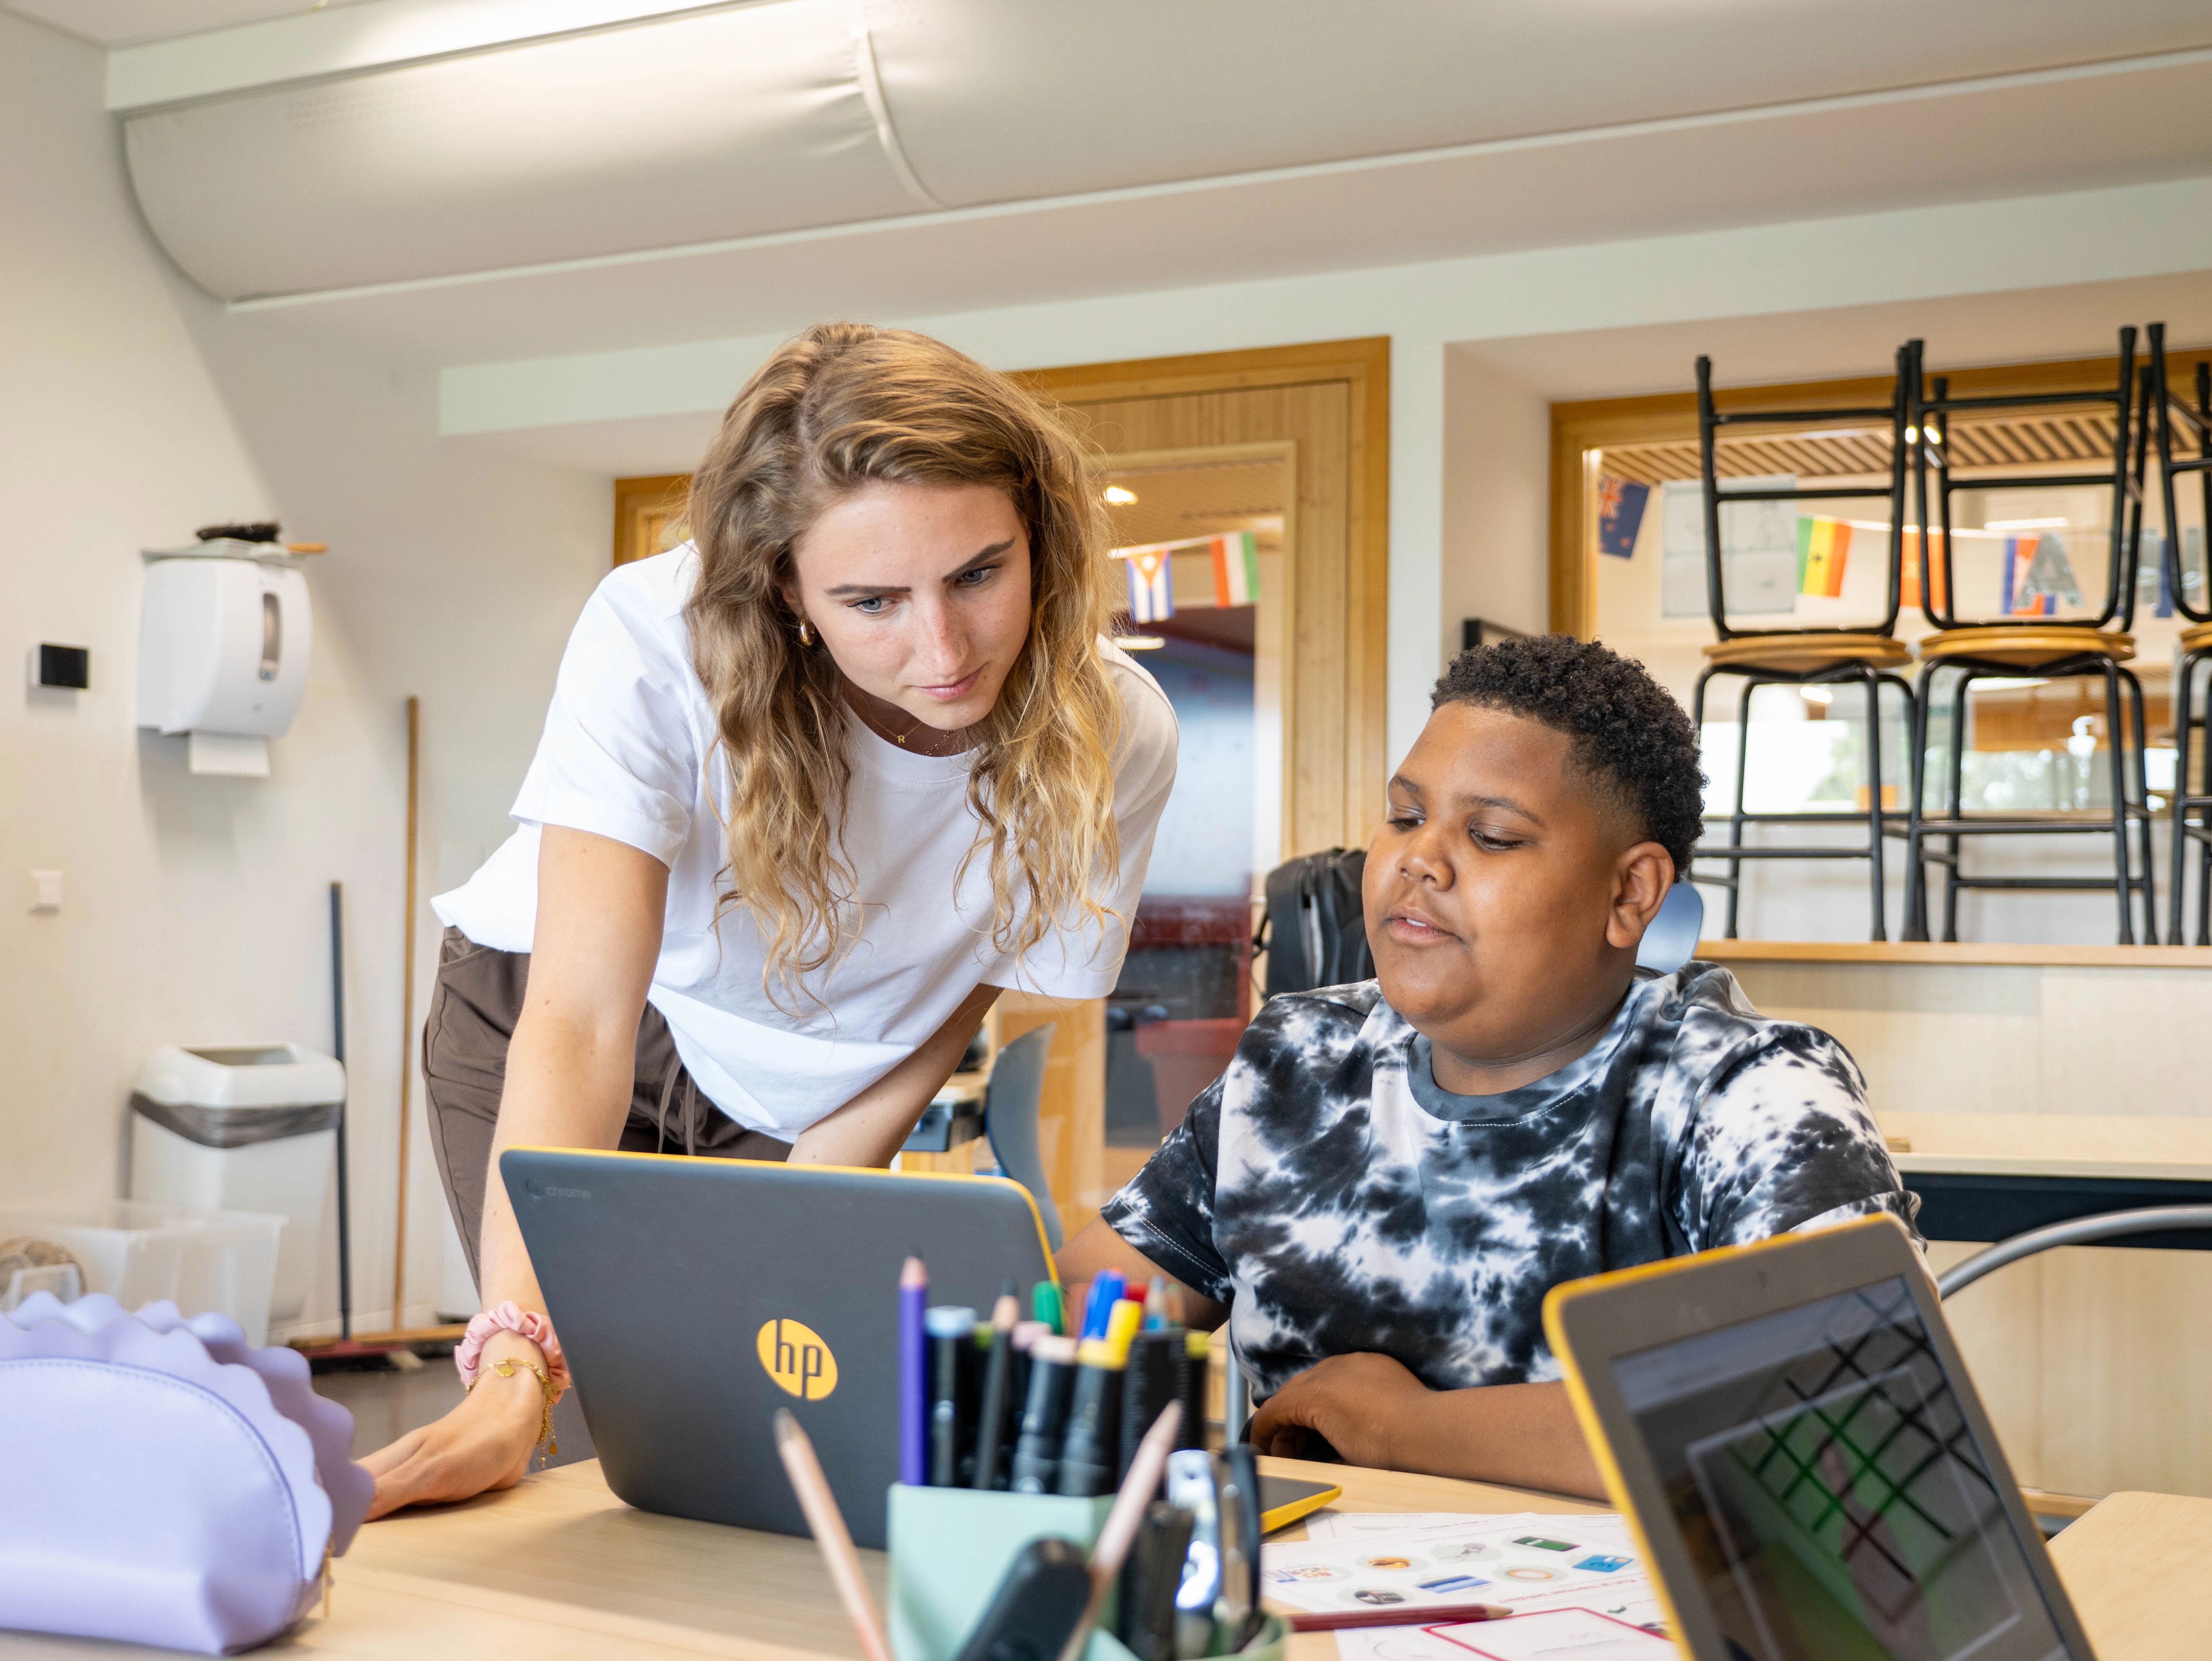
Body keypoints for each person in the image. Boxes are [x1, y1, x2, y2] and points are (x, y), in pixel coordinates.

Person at [365, 324, 1177, 1517]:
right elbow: (582, 1015)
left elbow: (954, 1001)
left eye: (978, 574)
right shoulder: (657, 638)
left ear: (1040, 540)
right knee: (585, 1439)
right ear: (785, 588)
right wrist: (513, 1366)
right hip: (573, 1017)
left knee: (746, 1442)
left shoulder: (1118, 731)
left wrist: (801, 1212)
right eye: (872, 600)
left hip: (794, 1083)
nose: (943, 650)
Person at [1057, 634, 1917, 1496]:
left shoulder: (1745, 1090)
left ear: (1629, 895)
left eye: (1493, 835)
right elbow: (1091, 1303)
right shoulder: (1296, 1061)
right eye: (1402, 815)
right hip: (1304, 1611)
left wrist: (1407, 1428)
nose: (1417, 859)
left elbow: (1858, 1409)